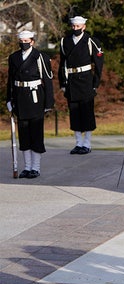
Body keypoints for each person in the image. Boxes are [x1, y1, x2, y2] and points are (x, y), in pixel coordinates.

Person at [6, 30, 54, 179]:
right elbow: (10, 81)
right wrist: (9, 99)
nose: (24, 44)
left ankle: (36, 167)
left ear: (32, 42)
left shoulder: (41, 57)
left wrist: (48, 102)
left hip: (35, 97)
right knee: (24, 134)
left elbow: (48, 81)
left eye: (27, 42)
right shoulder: (13, 58)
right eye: (22, 42)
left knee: (36, 133)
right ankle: (27, 167)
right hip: (20, 98)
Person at [58, 15, 104, 155]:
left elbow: (99, 64)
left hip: (86, 81)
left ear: (84, 26)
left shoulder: (91, 41)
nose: (75, 29)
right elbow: (62, 63)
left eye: (78, 26)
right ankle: (78, 143)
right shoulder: (65, 41)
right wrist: (63, 82)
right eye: (73, 26)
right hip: (71, 80)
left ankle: (87, 143)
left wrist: (95, 83)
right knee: (74, 112)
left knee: (87, 112)